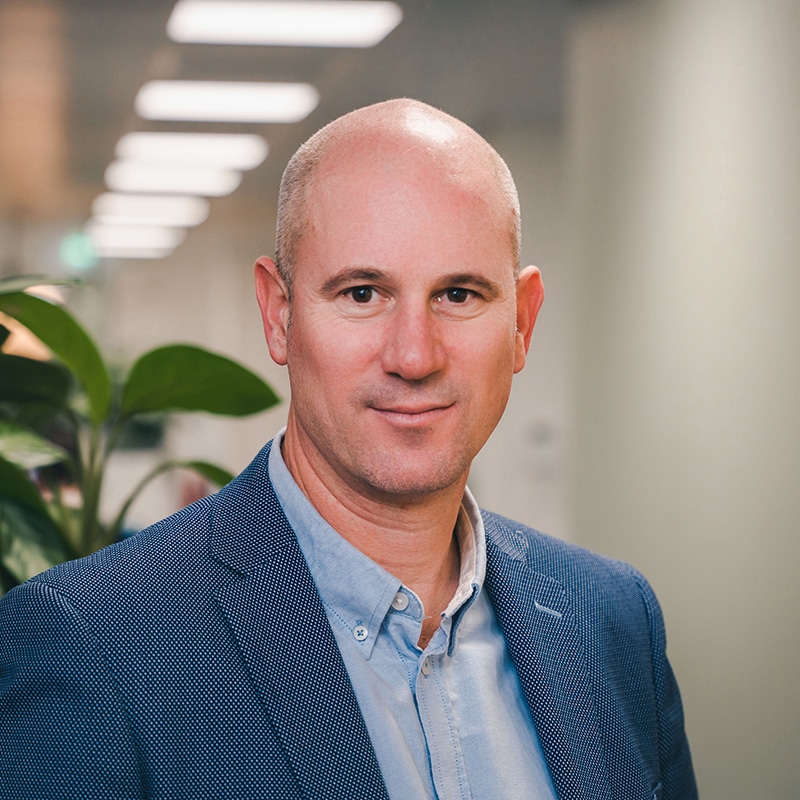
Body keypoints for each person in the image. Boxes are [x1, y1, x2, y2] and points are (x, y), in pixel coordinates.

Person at [0, 99, 697, 799]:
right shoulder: (98, 644)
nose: (414, 355)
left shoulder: (610, 620)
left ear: (522, 322)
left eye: (458, 293)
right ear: (279, 313)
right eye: (362, 293)